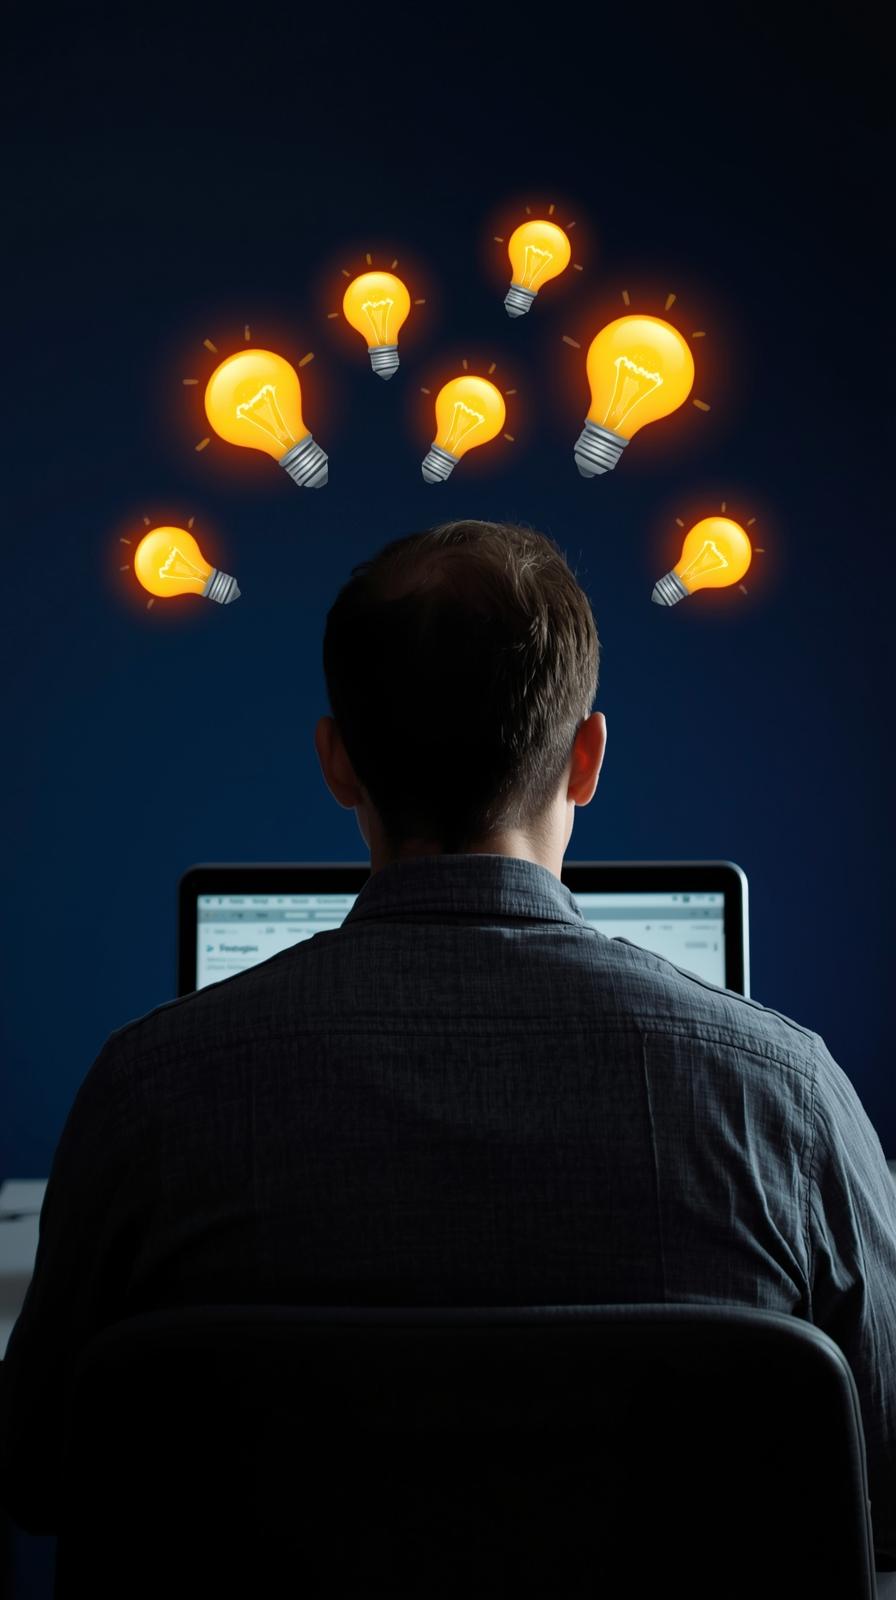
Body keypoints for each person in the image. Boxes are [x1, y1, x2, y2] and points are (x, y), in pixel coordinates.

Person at [1, 517, 895, 1574]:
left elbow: (40, 1472)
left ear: (337, 761)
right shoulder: (784, 1098)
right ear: (586, 757)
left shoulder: (146, 1093)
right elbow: (882, 1471)